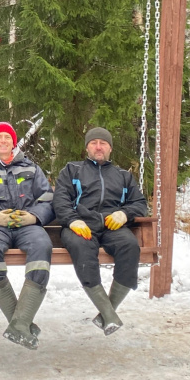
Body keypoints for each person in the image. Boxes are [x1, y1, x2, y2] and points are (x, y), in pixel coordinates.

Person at [53, 127, 148, 334]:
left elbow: (139, 202)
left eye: (103, 143)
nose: (98, 147)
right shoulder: (72, 170)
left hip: (111, 226)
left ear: (110, 148)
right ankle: (110, 315)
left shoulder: (123, 176)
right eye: (94, 143)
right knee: (82, 248)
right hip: (82, 225)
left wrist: (124, 214)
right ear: (87, 147)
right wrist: (72, 221)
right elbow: (60, 200)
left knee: (130, 246)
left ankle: (107, 313)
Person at [0, 122, 54, 349]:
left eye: (8, 137)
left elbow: (47, 198)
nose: (4, 141)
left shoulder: (32, 169)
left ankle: (20, 323)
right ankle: (21, 323)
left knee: (42, 246)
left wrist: (34, 217)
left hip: (27, 225)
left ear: (14, 142)